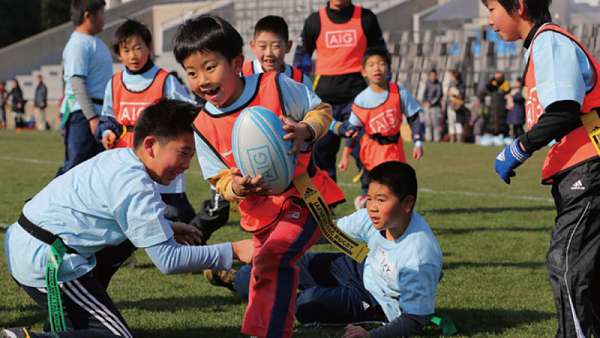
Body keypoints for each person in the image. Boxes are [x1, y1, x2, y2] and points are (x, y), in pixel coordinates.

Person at [1, 99, 253, 338]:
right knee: (115, 336)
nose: (187, 164)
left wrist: (165, 227)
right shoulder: (135, 184)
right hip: (48, 260)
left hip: (28, 243)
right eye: (184, 152)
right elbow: (168, 260)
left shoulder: (122, 160)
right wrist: (234, 250)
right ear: (151, 145)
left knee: (128, 241)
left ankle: (73, 321)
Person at [173, 15, 344, 338]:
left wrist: (306, 130)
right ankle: (256, 330)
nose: (202, 80)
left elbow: (321, 109)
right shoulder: (202, 125)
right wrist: (234, 186)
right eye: (192, 73)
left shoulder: (273, 85)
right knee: (264, 270)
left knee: (272, 259)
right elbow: (218, 179)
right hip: (259, 215)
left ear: (237, 62)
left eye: (210, 67)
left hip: (302, 198)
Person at [488, 0, 600, 336]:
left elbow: (564, 110)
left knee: (567, 264)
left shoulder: (550, 41)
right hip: (580, 164)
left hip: (588, 164)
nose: (489, 19)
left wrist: (518, 148)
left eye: (492, 8)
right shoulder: (542, 45)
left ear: (518, 5)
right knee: (590, 271)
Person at [232, 161, 443, 338]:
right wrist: (280, 242)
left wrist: (371, 335)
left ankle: (277, 298)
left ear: (407, 204)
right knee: (255, 273)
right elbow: (328, 230)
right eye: (369, 198)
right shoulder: (375, 217)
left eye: (381, 200)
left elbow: (416, 319)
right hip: (361, 269)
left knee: (307, 303)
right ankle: (248, 281)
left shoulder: (419, 256)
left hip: (375, 301)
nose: (372, 207)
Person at [97, 18, 197, 224]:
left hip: (161, 156)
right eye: (126, 50)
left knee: (175, 212)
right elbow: (108, 117)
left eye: (138, 48)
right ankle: (122, 255)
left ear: (149, 47)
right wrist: (107, 133)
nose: (133, 55)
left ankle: (191, 251)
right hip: (126, 157)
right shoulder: (114, 83)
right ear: (118, 54)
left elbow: (189, 110)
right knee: (127, 210)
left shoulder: (165, 80)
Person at [298, 0, 386, 182]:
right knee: (321, 153)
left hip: (359, 98)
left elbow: (380, 54)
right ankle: (327, 200)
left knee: (365, 149)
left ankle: (370, 197)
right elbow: (303, 56)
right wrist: (300, 85)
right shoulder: (315, 21)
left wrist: (383, 87)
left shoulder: (366, 18)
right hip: (324, 99)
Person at [334, 47, 424, 208]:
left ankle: (395, 224)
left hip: (395, 149)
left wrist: (418, 142)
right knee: (375, 191)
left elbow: (414, 117)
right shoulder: (361, 100)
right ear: (363, 71)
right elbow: (353, 130)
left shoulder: (398, 92)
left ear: (388, 69)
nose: (377, 68)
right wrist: (345, 154)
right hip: (371, 152)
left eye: (382, 64)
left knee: (396, 190)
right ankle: (366, 207)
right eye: (371, 65)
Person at [56, 0, 113, 176]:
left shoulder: (93, 42)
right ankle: (45, 203)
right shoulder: (79, 44)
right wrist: (92, 118)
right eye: (101, 13)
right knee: (75, 170)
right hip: (84, 116)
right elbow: (77, 82)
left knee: (96, 171)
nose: (104, 18)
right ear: (88, 15)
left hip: (97, 113)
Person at [242, 15, 312, 89]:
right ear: (253, 46)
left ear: (288, 46)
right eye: (263, 46)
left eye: (276, 46)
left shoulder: (300, 81)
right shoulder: (242, 75)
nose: (269, 53)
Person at [485, 71, 510, 136]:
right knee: (492, 121)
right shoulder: (493, 83)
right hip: (493, 106)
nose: (498, 79)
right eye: (497, 77)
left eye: (499, 77)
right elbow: (488, 86)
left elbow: (507, 90)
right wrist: (493, 78)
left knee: (502, 122)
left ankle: (502, 134)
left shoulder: (506, 83)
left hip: (502, 107)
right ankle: (493, 133)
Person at [422, 69, 443, 142]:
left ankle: (437, 139)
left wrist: (431, 103)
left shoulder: (438, 84)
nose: (432, 77)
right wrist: (424, 101)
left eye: (434, 76)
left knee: (436, 124)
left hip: (435, 107)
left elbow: (439, 96)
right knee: (428, 123)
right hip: (427, 106)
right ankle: (428, 138)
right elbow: (425, 94)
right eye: (431, 76)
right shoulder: (428, 83)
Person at [446, 70, 466, 143]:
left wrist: (453, 94)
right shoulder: (451, 84)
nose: (451, 78)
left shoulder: (461, 85)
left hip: (458, 107)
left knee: (458, 123)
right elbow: (448, 94)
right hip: (450, 105)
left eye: (452, 76)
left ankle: (459, 140)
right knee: (451, 123)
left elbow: (461, 95)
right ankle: (452, 140)